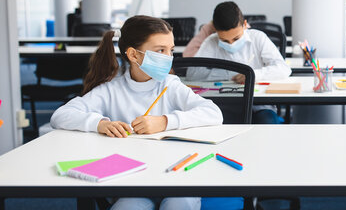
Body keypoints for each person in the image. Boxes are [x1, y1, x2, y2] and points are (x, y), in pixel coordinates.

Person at [51, 15, 222, 210]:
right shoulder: (110, 90)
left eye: (171, 50)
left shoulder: (170, 85)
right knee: (128, 207)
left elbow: (214, 113)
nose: (169, 57)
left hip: (176, 176)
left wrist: (165, 121)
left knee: (178, 204)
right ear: (133, 55)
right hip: (132, 179)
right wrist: (100, 124)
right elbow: (61, 115)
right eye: (160, 50)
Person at [192, 1, 291, 124]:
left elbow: (283, 69)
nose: (231, 44)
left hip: (259, 106)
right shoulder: (211, 41)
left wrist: (252, 75)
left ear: (245, 25)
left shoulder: (258, 38)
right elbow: (194, 72)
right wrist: (231, 74)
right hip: (225, 105)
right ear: (216, 32)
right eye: (224, 40)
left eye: (236, 38)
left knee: (267, 125)